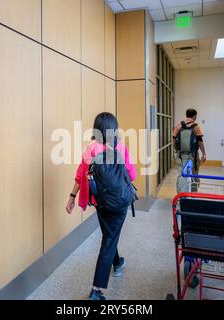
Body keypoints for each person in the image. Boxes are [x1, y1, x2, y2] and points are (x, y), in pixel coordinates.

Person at [66, 112, 136, 300]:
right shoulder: (120, 147)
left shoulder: (90, 149)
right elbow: (132, 174)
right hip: (119, 202)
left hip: (100, 202)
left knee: (109, 235)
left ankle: (118, 262)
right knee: (109, 239)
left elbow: (81, 175)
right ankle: (96, 290)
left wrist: (72, 196)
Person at [173, 108, 206, 193]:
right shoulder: (196, 126)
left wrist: (177, 151)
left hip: (181, 156)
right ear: (194, 116)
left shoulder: (178, 126)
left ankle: (181, 195)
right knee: (194, 174)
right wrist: (204, 154)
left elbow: (174, 140)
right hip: (193, 156)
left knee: (182, 174)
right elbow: (200, 141)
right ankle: (193, 194)